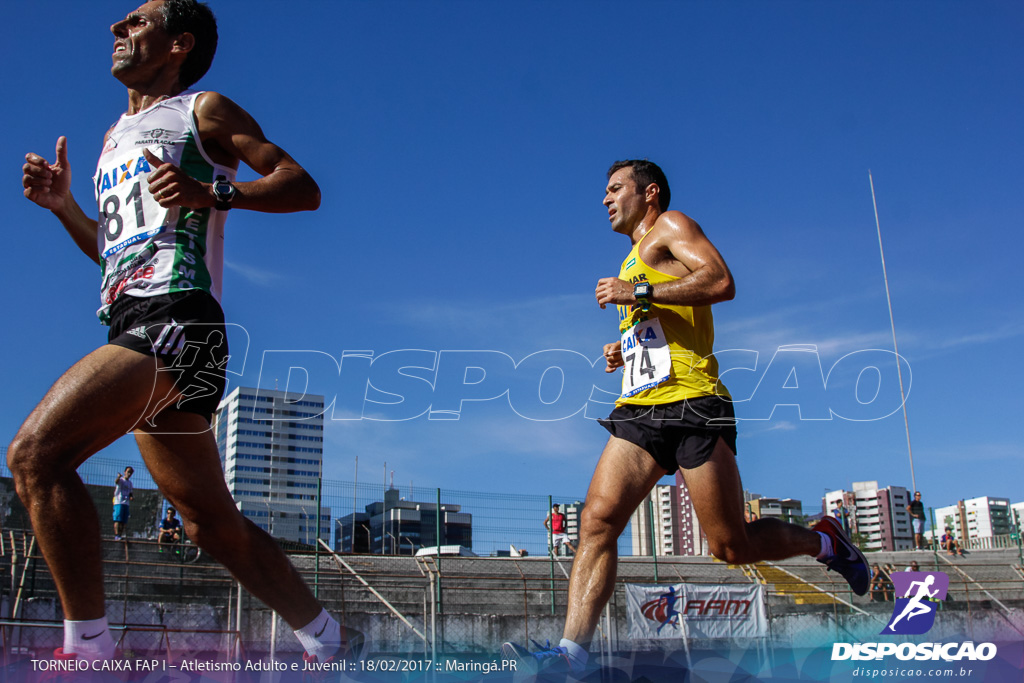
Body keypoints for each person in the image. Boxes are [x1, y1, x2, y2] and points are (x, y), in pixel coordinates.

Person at [10, 0, 361, 666]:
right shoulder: (116, 135)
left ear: (180, 44)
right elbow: (117, 252)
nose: (119, 28)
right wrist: (64, 209)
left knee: (36, 454)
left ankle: (87, 651)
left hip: (179, 318)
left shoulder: (204, 110)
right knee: (210, 524)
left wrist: (216, 193)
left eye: (137, 21)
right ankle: (332, 640)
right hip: (138, 321)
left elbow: (302, 185)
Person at [502, 160, 870, 675]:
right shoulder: (631, 257)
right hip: (642, 407)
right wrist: (624, 346)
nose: (605, 200)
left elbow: (720, 281)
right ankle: (571, 656)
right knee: (597, 520)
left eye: (614, 189)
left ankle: (824, 540)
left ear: (648, 193)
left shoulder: (672, 225)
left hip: (696, 405)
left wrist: (638, 293)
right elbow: (664, 329)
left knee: (729, 546)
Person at [112, 466, 135, 540]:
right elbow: (116, 482)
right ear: (124, 472)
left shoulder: (130, 483)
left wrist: (131, 497)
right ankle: (117, 535)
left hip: (126, 503)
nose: (129, 474)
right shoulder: (121, 480)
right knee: (118, 519)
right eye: (128, 472)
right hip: (119, 502)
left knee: (123, 521)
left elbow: (131, 492)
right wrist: (118, 477)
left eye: (130, 473)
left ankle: (120, 536)